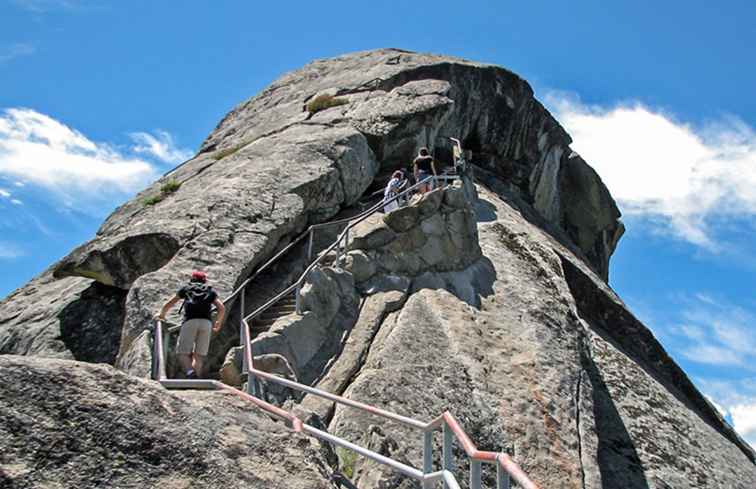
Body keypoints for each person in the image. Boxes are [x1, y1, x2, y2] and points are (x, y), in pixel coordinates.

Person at [157, 270, 225, 379]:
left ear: (192, 279)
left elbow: (170, 303)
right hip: (206, 323)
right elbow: (221, 307)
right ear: (204, 281)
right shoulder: (210, 291)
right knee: (199, 356)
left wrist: (162, 314)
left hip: (190, 321)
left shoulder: (186, 288)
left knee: (182, 353)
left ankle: (190, 373)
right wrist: (218, 322)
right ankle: (195, 381)